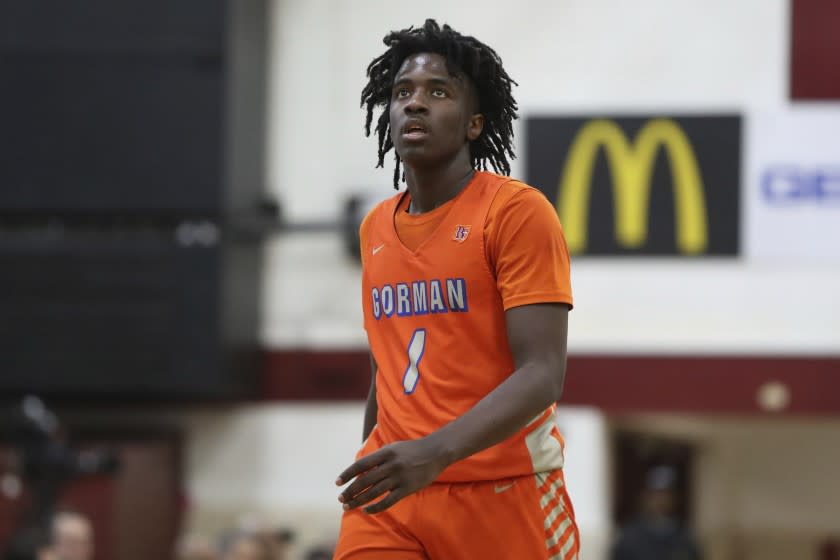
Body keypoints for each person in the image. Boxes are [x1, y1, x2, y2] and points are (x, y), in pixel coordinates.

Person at [334, 19, 578, 560]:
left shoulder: (515, 212)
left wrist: (433, 453)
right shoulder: (374, 227)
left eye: (437, 92)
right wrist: (378, 454)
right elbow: (388, 367)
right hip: (395, 498)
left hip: (502, 492)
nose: (414, 104)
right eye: (403, 93)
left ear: (474, 124)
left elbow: (542, 372)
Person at [610, 466, 703, 560]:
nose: (661, 500)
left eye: (666, 495)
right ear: (646, 498)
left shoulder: (683, 537)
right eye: (656, 495)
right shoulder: (630, 538)